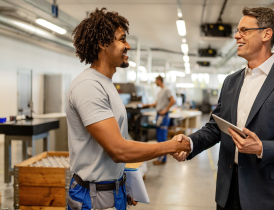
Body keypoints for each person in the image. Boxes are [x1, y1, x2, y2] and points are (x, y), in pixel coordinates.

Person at [173, 7, 274, 210]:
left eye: (244, 30)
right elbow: (216, 127)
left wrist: (262, 148)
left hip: (271, 194)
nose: (236, 36)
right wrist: (189, 143)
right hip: (229, 190)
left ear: (266, 34)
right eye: (237, 31)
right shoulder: (231, 81)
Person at [66, 8, 190, 210]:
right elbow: (118, 150)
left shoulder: (106, 84)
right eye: (122, 39)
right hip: (93, 197)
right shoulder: (88, 86)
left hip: (110, 191)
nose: (128, 46)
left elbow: (115, 148)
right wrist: (172, 146)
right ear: (103, 43)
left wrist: (122, 185)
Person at [142, 75, 176, 165]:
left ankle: (162, 159)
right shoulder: (160, 91)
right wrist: (146, 105)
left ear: (159, 80)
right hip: (159, 116)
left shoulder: (166, 90)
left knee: (162, 139)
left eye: (155, 80)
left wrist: (165, 110)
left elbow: (173, 101)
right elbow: (157, 103)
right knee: (159, 138)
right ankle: (161, 158)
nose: (155, 82)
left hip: (163, 116)